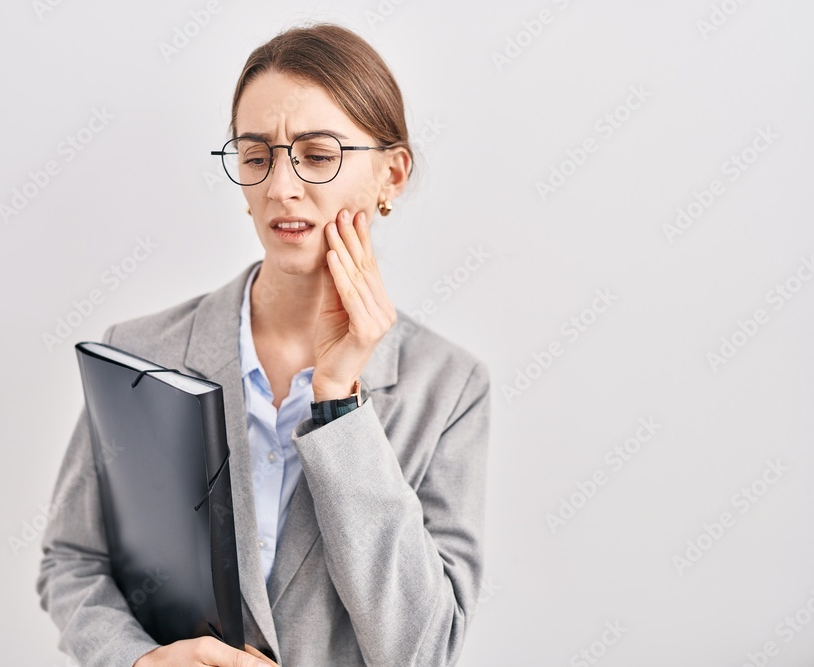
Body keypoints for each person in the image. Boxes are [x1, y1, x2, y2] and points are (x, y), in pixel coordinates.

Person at [36, 22, 490, 667]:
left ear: (391, 175)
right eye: (257, 156)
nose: (280, 188)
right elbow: (74, 559)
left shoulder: (449, 387)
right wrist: (136, 661)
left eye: (318, 154)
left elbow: (420, 649)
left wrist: (338, 405)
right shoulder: (141, 350)